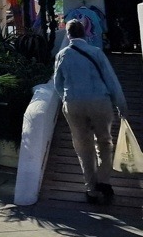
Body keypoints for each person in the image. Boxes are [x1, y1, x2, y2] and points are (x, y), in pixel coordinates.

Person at [53, 19, 128, 204]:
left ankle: (91, 189)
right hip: (99, 102)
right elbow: (111, 79)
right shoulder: (96, 52)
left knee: (83, 146)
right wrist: (121, 105)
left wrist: (66, 99)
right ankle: (104, 181)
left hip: (74, 104)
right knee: (104, 141)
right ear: (85, 33)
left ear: (68, 35)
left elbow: (57, 83)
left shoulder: (62, 55)